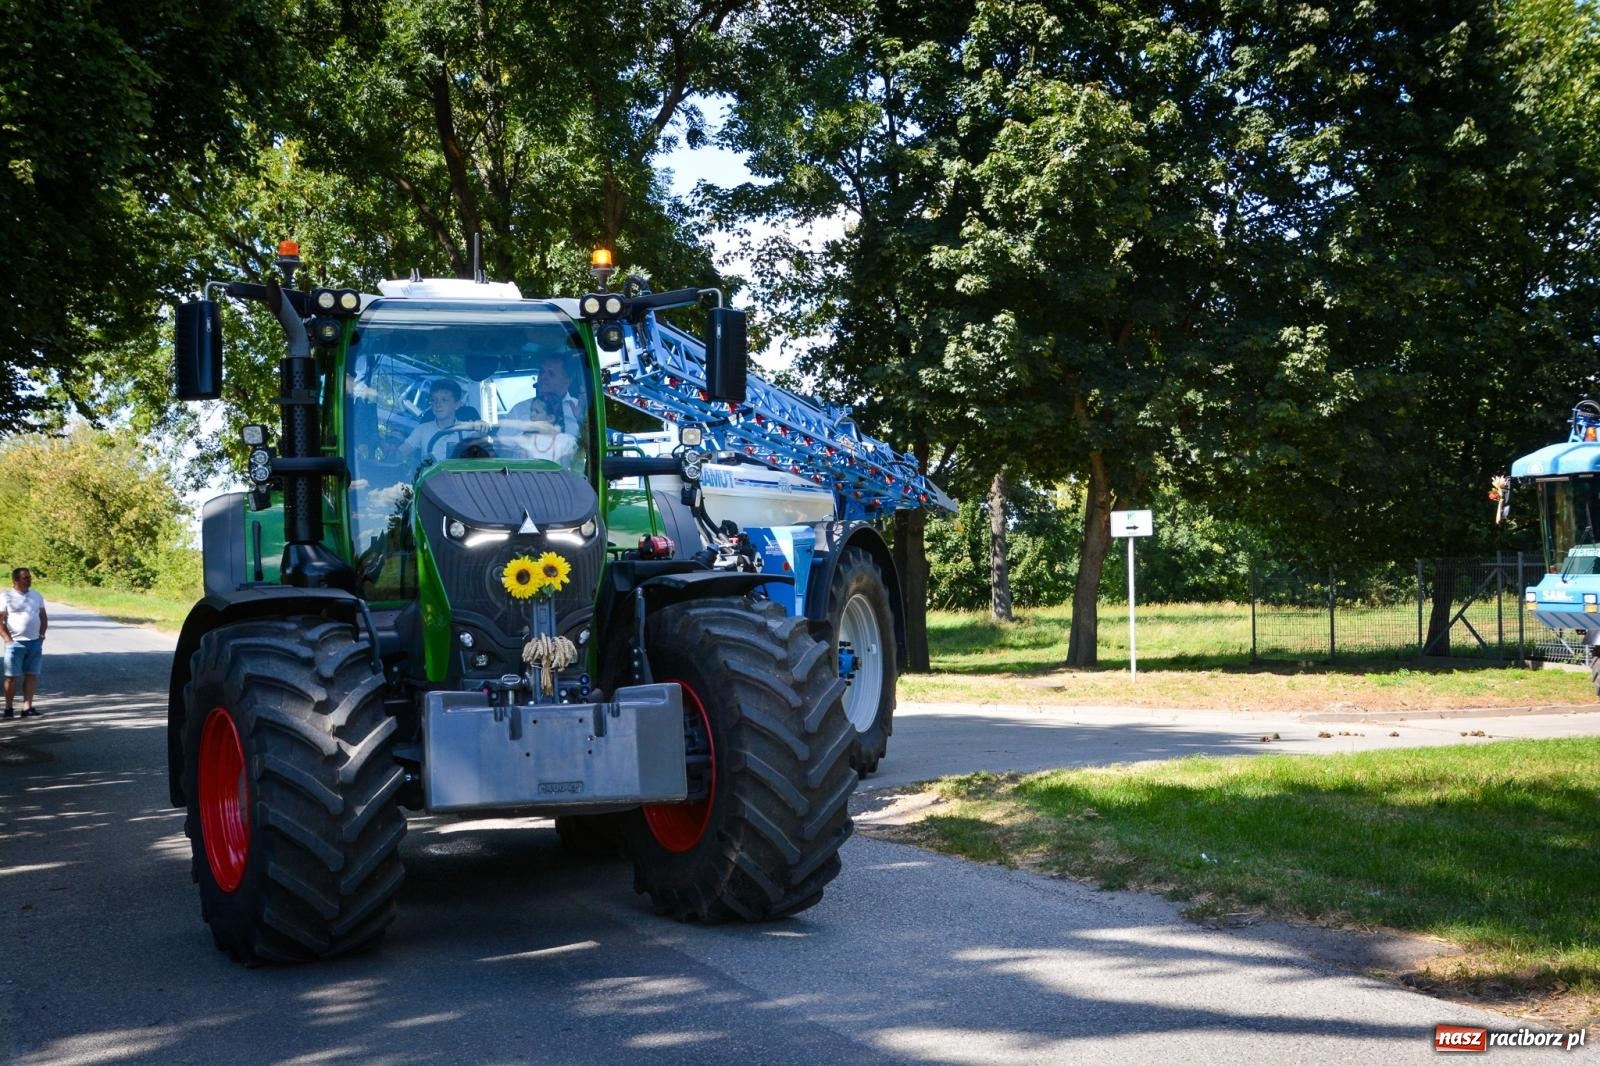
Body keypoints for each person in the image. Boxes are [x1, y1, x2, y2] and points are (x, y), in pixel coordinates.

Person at [2, 567, 47, 719]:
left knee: (31, 675)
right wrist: (7, 639)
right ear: (15, 580)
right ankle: (8, 708)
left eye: (29, 577)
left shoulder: (36, 595)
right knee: (11, 677)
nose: (28, 580)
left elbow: (43, 616)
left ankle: (27, 708)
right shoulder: (6, 596)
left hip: (34, 642)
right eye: (25, 578)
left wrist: (41, 635)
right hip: (15, 643)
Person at [399, 378, 479, 462]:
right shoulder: (422, 430)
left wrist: (481, 428)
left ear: (457, 404)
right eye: (434, 400)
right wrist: (391, 451)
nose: (438, 404)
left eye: (444, 400)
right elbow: (401, 452)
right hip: (430, 474)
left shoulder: (467, 430)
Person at [508, 352, 585, 437]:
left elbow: (592, 444)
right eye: (542, 372)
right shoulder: (519, 410)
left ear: (568, 381)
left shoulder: (581, 410)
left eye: (551, 374)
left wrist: (582, 420)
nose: (542, 377)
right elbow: (500, 446)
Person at [502, 397, 577, 465]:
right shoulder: (525, 439)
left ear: (551, 418)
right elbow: (520, 468)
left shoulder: (567, 441)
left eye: (537, 412)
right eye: (531, 410)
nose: (532, 415)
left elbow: (568, 471)